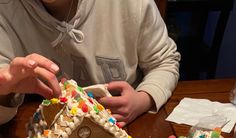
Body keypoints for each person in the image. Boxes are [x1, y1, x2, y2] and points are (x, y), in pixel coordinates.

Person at [0, 0, 180, 127]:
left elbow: (164, 61)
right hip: (47, 131)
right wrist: (4, 93)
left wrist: (142, 99)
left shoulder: (130, 4)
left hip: (127, 124)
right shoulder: (5, 12)